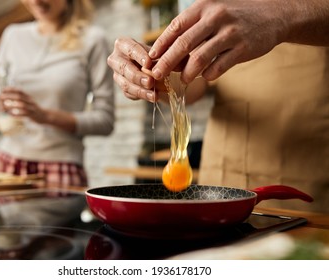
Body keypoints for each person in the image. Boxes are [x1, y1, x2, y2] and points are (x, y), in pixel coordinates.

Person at [107, 0, 329, 213]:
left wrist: (282, 16)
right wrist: (152, 71)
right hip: (221, 181)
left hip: (307, 172)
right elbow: (192, 79)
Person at [0, 0, 115, 187]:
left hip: (62, 168)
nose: (35, 1)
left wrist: (45, 115)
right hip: (6, 164)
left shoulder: (93, 40)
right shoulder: (12, 35)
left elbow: (105, 122)